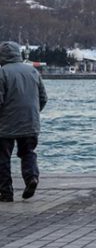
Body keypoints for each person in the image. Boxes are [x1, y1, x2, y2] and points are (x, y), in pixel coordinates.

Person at [0, 41, 47, 202]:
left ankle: (6, 193)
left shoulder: (2, 73)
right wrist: (33, 113)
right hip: (30, 122)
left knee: (3, 158)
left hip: (5, 124)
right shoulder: (33, 71)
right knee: (28, 153)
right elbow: (43, 98)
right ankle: (32, 178)